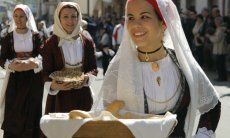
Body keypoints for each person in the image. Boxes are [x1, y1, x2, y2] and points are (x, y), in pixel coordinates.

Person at [99, 0, 221, 137]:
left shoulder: (182, 63)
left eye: (144, 17)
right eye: (130, 18)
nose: (135, 24)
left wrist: (202, 135)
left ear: (163, 23)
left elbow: (212, 105)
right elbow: (108, 118)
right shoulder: (119, 69)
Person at [41, 2, 97, 115]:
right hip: (59, 98)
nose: (70, 21)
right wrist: (53, 85)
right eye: (65, 17)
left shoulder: (87, 41)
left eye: (73, 16)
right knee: (60, 130)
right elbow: (45, 72)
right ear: (59, 19)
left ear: (78, 18)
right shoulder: (50, 44)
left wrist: (86, 78)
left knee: (82, 130)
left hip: (82, 95)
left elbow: (93, 68)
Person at [0, 4, 43, 138]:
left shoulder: (36, 36)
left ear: (27, 17)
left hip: (33, 80)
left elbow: (42, 55)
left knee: (32, 109)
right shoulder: (8, 37)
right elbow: (2, 59)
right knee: (14, 110)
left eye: (22, 16)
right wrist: (11, 66)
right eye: (16, 16)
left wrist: (33, 64)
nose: (18, 19)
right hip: (15, 81)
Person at [206, 17, 228, 81]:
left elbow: (217, 39)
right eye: (215, 22)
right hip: (218, 49)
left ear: (219, 22)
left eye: (217, 22)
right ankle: (221, 77)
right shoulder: (219, 29)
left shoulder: (220, 29)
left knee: (220, 65)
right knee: (219, 65)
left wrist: (209, 37)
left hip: (220, 50)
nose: (215, 23)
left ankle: (222, 78)